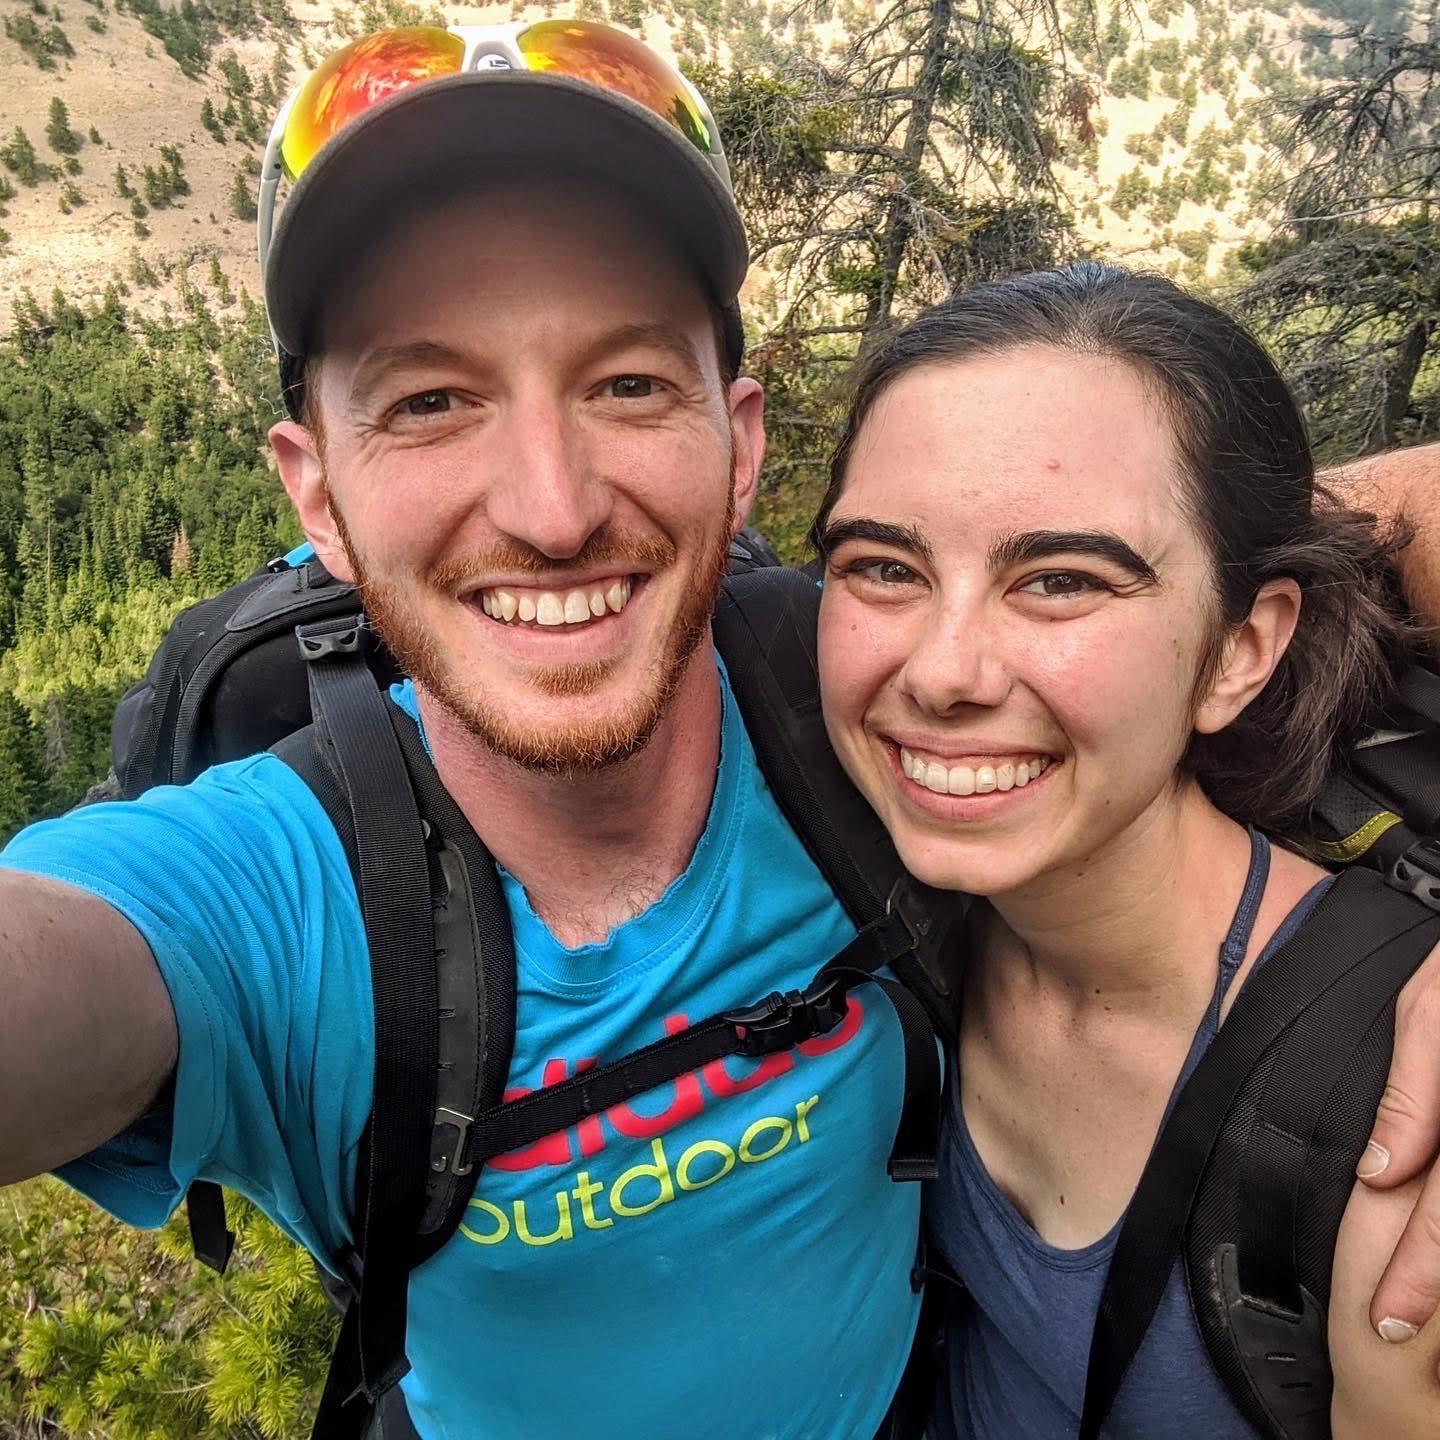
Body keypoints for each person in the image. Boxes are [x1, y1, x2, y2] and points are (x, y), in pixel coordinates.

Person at [0, 22, 1439, 1440]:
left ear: (739, 445)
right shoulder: (275, 899)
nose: (553, 510)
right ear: (316, 495)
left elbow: (1166, 560)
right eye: (430, 402)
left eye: (629, 384)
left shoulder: (860, 707)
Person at [809, 262, 1440, 1437]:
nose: (943, 672)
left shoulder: (1389, 1126)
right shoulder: (871, 884)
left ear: (1242, 649)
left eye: (1062, 581)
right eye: (885, 568)